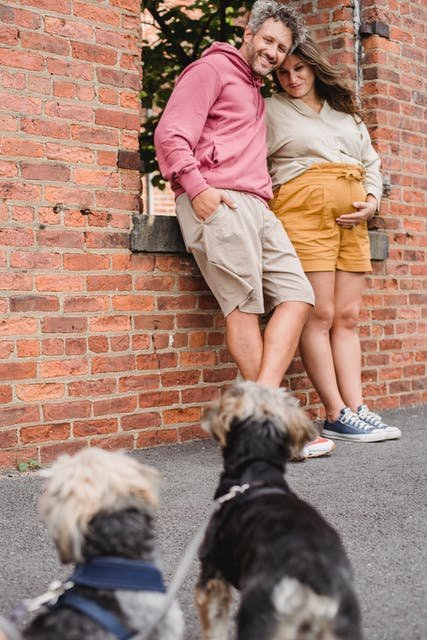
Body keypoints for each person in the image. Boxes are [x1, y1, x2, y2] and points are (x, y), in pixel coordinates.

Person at [154, 1, 335, 459]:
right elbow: (171, 134)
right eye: (268, 40)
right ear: (249, 30)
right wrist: (199, 190)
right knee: (245, 309)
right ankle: (278, 428)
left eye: (282, 48)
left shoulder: (256, 90)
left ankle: (261, 413)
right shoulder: (211, 70)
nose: (274, 53)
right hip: (220, 200)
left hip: (259, 206)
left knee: (298, 297)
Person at [266, 36, 401, 442]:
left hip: (352, 221)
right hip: (304, 215)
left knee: (347, 317)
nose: (291, 78)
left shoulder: (344, 113)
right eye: (283, 71)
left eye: (299, 69)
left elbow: (370, 162)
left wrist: (373, 201)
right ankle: (334, 411)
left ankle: (356, 406)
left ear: (314, 68)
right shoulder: (271, 110)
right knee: (319, 314)